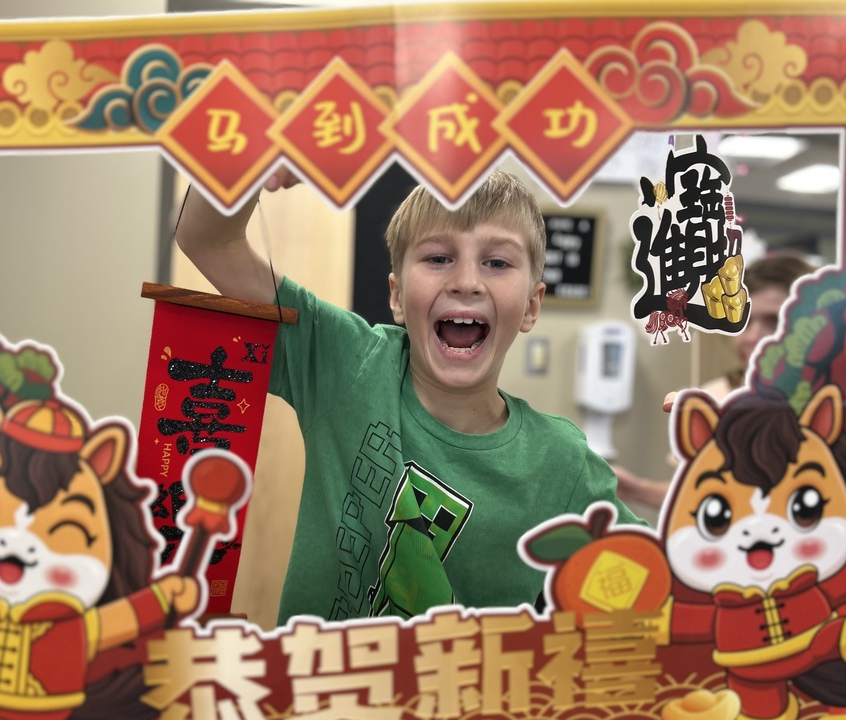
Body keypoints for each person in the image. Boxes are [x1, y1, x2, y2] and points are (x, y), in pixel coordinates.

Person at [176, 169, 648, 624]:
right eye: (439, 258)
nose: (466, 281)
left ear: (531, 304)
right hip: (312, 699)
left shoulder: (561, 462)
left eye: (497, 262)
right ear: (397, 296)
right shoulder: (349, 363)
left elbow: (663, 582)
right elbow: (207, 240)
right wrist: (249, 158)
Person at [611, 251, 815, 510]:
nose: (751, 337)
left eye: (773, 320)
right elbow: (702, 494)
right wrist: (637, 490)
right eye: (744, 320)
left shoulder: (836, 400)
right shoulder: (715, 396)